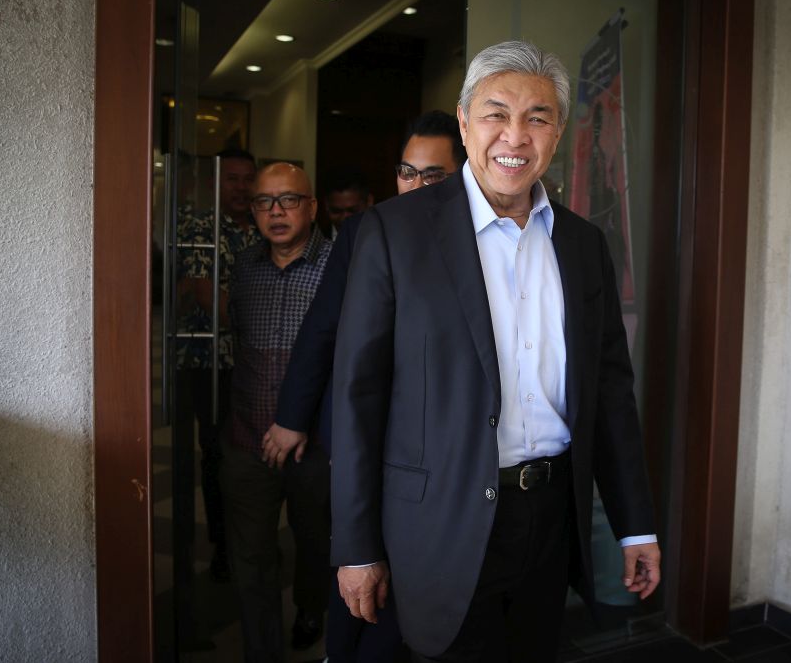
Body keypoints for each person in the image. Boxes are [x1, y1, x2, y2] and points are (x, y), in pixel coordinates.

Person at [330, 41, 662, 662]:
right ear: (463, 121)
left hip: (551, 517)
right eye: (496, 113)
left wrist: (635, 523)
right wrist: (356, 546)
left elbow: (611, 392)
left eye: (538, 116)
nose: (516, 134)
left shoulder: (584, 245)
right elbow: (357, 399)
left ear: (558, 132)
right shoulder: (394, 233)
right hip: (442, 521)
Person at [261, 110, 466, 662]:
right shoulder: (365, 231)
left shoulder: (478, 241)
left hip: (439, 442)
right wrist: (292, 416)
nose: (416, 187)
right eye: (406, 172)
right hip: (365, 430)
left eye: (434, 176)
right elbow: (324, 326)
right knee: (356, 557)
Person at [219, 162, 333, 660]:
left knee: (316, 543)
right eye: (265, 202)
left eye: (289, 200)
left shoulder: (337, 268)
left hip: (314, 445)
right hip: (247, 439)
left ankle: (311, 608)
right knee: (251, 558)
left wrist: (304, 421)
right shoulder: (242, 267)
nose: (277, 211)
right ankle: (261, 652)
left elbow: (350, 360)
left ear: (311, 206)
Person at [176, 148, 261, 581]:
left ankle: (251, 544)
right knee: (217, 456)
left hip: (254, 364)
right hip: (209, 363)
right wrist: (265, 325)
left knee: (254, 457)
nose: (242, 187)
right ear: (216, 183)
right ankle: (223, 548)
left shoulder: (261, 228)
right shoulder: (201, 226)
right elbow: (205, 294)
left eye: (248, 179)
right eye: (233, 179)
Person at [320, 164, 373, 239]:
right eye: (337, 211)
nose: (344, 218)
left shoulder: (382, 238)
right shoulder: (318, 242)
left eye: (352, 210)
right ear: (327, 205)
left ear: (369, 202)